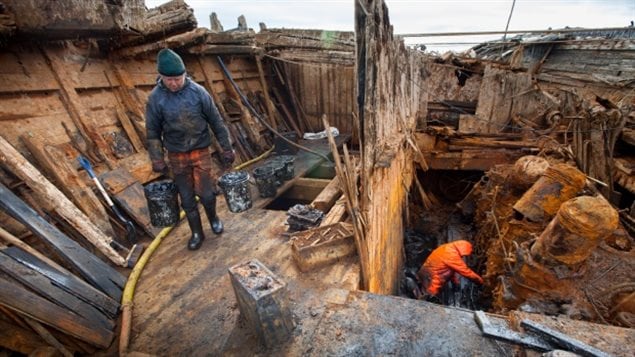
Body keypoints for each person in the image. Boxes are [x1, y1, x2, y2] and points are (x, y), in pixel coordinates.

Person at [146, 48, 235, 251]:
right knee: (186, 198)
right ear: (161, 77)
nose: (174, 83)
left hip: (200, 149)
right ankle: (197, 232)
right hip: (176, 154)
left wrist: (226, 148)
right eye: (169, 80)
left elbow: (216, 122)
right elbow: (152, 131)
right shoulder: (155, 99)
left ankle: (213, 219)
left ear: (185, 74)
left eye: (178, 78)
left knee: (206, 193)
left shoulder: (199, 93)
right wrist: (157, 158)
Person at [417, 240, 483, 298]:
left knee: (426, 288)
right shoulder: (452, 255)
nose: (463, 256)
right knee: (431, 295)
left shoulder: (447, 248)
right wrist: (481, 281)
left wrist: (455, 282)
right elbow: (466, 272)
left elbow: (451, 269)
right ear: (463, 250)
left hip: (425, 271)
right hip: (431, 276)